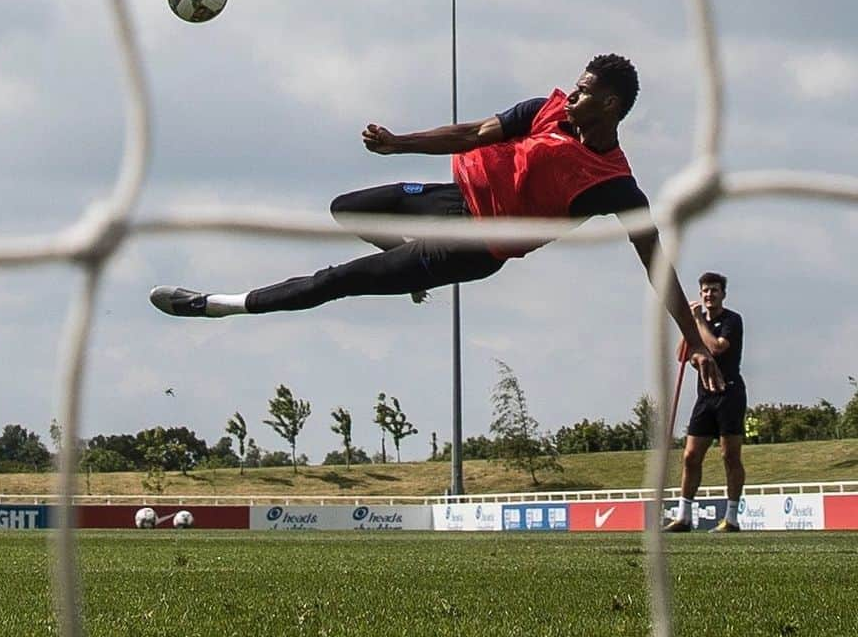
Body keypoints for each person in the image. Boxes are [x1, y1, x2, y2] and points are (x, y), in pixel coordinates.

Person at [150, 53, 724, 391]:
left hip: (473, 248)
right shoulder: (546, 109)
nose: (573, 94)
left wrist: (690, 332)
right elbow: (473, 133)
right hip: (451, 201)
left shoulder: (615, 183)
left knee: (336, 281)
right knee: (348, 208)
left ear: (612, 107)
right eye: (576, 85)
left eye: (586, 92)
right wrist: (400, 144)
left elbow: (653, 257)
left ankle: (215, 304)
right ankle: (408, 269)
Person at [664, 271, 746, 532]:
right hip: (705, 396)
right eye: (705, 291)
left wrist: (698, 320)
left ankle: (731, 518)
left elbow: (717, 347)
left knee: (729, 454)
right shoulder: (696, 323)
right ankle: (683, 516)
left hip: (729, 392)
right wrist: (688, 326)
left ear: (723, 294)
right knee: (690, 456)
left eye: (714, 290)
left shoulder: (732, 320)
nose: (709, 295)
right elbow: (681, 355)